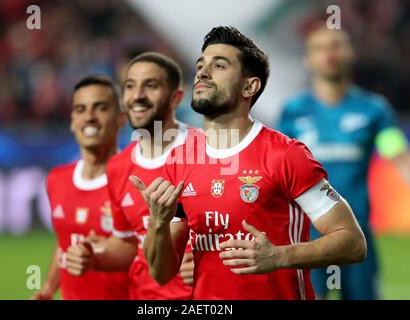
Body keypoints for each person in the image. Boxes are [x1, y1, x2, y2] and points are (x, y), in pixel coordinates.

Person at [130, 26, 366, 300]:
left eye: (219, 65)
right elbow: (162, 272)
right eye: (200, 66)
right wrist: (157, 224)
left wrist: (279, 256)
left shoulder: (286, 155)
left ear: (249, 86)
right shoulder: (181, 158)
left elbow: (353, 242)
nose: (202, 73)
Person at [278, 24, 410, 300]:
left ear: (351, 54)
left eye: (336, 46)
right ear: (308, 59)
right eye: (319, 48)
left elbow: (397, 156)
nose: (329, 54)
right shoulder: (293, 112)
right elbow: (277, 170)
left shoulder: (373, 110)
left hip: (357, 234)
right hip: (307, 237)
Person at [66, 52, 193, 300]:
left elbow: (237, 231)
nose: (137, 96)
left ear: (175, 98)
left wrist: (212, 262)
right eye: (130, 86)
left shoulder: (208, 152)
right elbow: (127, 243)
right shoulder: (118, 167)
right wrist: (95, 255)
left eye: (151, 86)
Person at [32, 75, 129, 300]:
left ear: (121, 118)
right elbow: (65, 244)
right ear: (72, 121)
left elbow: (156, 256)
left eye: (101, 108)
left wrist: (110, 250)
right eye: (80, 109)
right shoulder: (57, 179)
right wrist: (47, 289)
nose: (89, 117)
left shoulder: (135, 179)